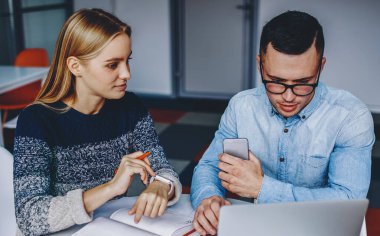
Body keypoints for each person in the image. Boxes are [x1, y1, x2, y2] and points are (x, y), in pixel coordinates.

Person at [190, 10, 375, 235]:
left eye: (303, 82)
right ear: (260, 65)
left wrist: (262, 188)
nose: (288, 97)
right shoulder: (242, 107)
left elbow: (348, 202)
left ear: (320, 67)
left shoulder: (350, 116)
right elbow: (210, 166)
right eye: (276, 82)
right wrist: (209, 197)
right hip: (257, 226)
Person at [13, 8, 182, 236]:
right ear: (75, 66)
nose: (126, 74)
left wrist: (161, 184)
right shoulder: (35, 120)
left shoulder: (130, 107)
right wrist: (111, 188)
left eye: (127, 60)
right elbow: (29, 216)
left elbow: (162, 166)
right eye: (113, 65)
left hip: (110, 226)